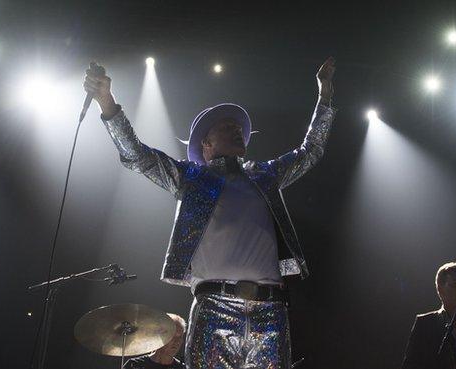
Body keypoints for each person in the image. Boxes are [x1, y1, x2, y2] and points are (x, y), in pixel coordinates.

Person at [84, 56, 336, 369]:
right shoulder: (192, 178)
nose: (237, 131)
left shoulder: (265, 175)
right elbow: (138, 156)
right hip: (215, 310)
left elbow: (310, 151)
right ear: (206, 144)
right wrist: (107, 102)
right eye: (226, 128)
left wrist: (324, 95)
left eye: (238, 128)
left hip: (271, 312)